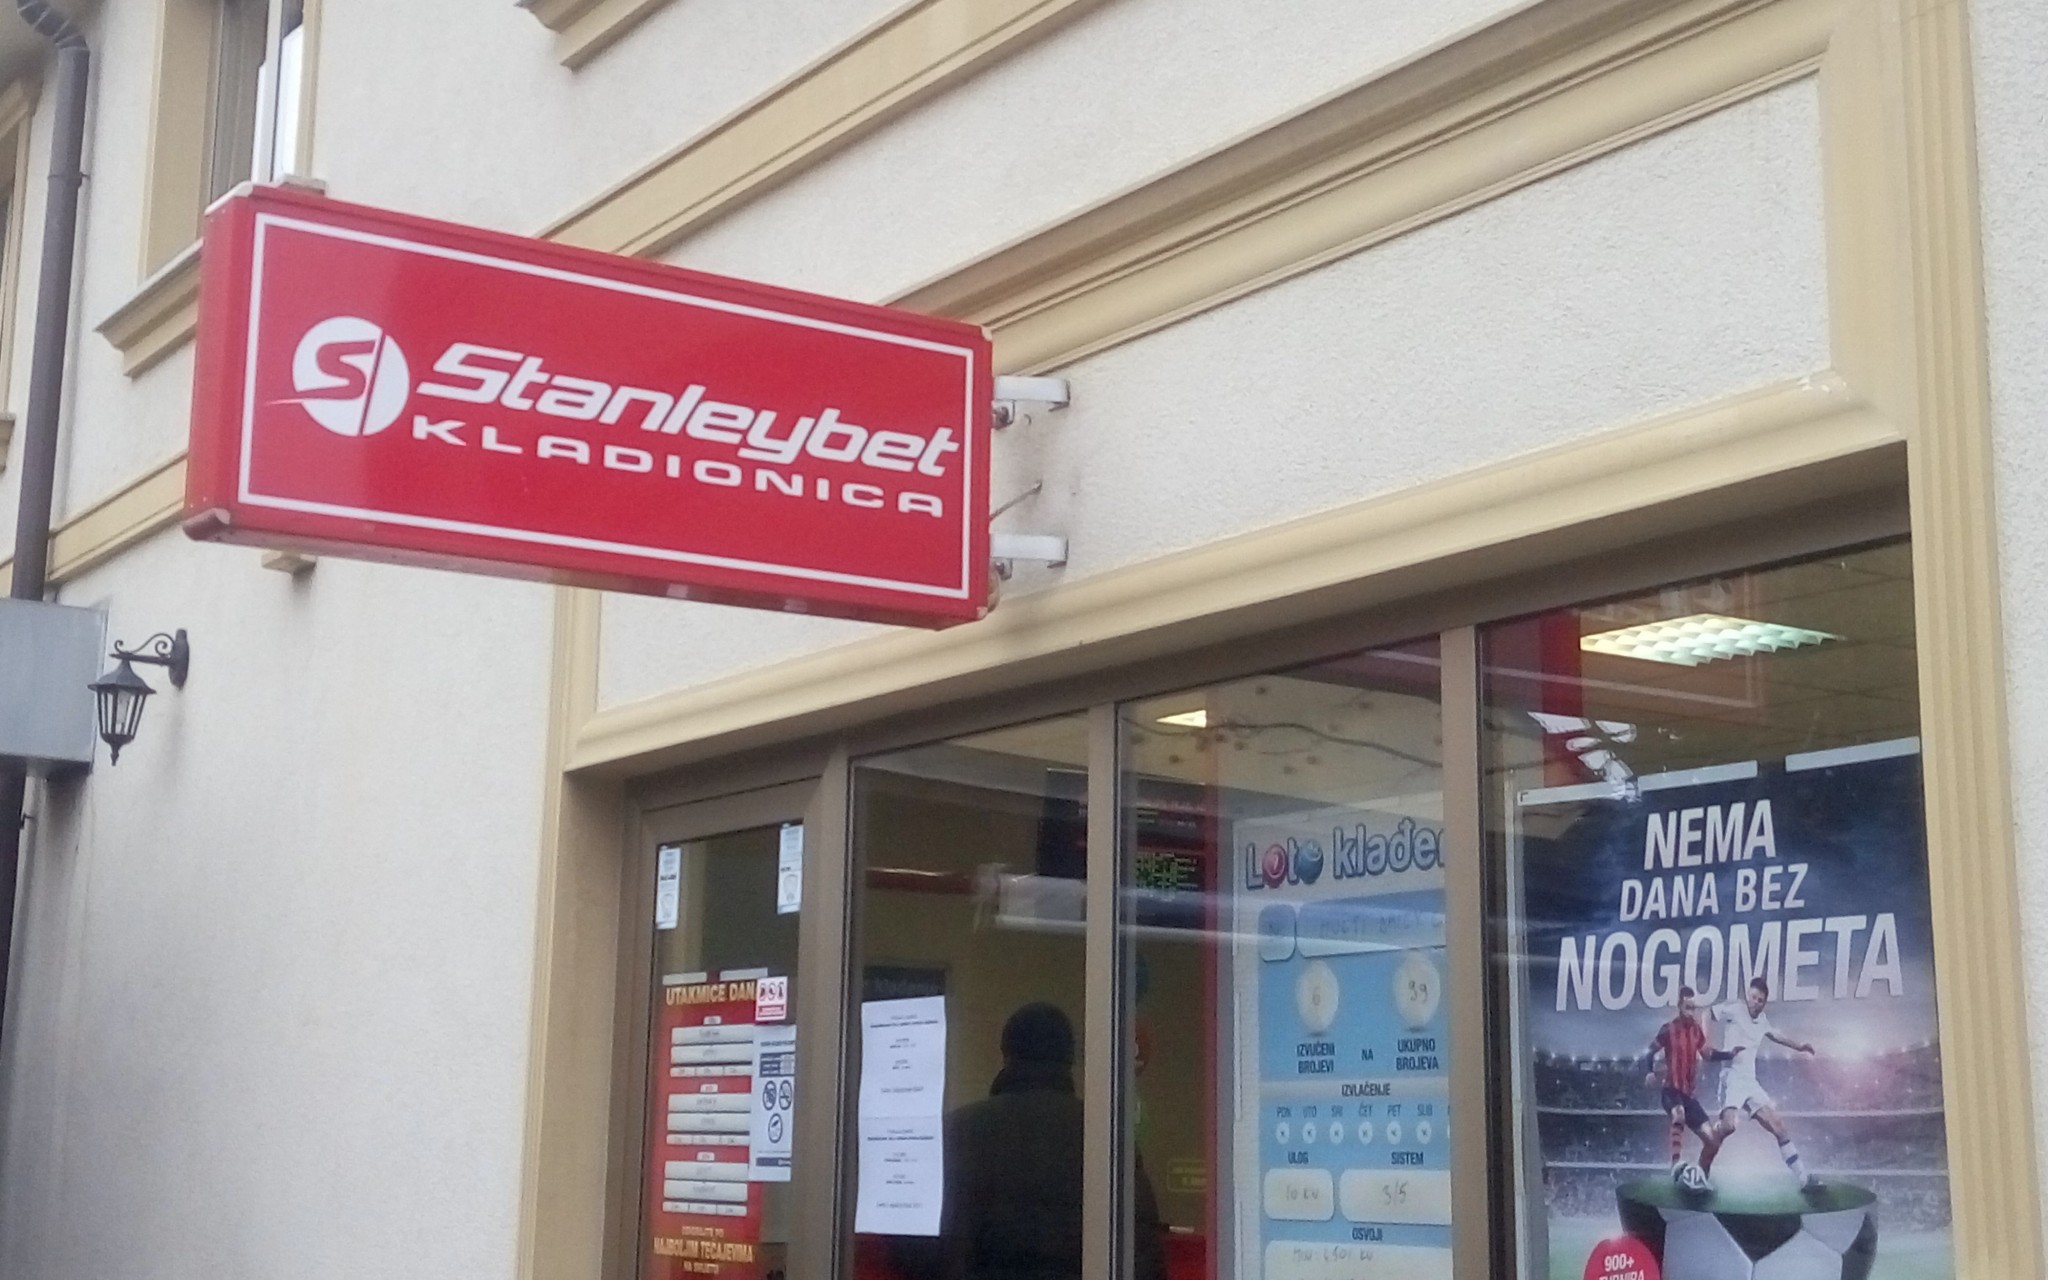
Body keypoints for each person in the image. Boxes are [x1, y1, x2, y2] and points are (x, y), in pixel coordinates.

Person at [935, 1002, 1165, 1280]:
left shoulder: (960, 1131)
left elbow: (929, 1247)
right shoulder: (1105, 1135)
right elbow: (1141, 1249)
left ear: (1006, 1054)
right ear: (1069, 1059)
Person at [1704, 977, 1820, 1190]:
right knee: (1728, 1127)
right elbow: (1707, 1013)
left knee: (1779, 1126)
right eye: (1753, 997)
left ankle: (1804, 1179)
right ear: (1748, 995)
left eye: (1760, 1000)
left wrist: (1800, 1046)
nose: (1755, 1003)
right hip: (1731, 1078)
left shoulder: (1762, 1020)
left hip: (1750, 1082)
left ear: (1764, 1002)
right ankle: (1702, 1168)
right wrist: (1705, 1042)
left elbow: (1777, 1036)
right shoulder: (1735, 1008)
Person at [1641, 986, 1726, 1176]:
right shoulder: (1668, 1029)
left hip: (1689, 1096)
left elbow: (1707, 1054)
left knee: (1712, 1141)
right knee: (1679, 1115)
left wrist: (1729, 1054)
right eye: (1688, 1007)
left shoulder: (1696, 1031)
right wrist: (1649, 1072)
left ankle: (1701, 1176)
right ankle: (1675, 1164)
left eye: (1693, 1008)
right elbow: (1649, 1051)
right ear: (1680, 1006)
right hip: (1671, 1090)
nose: (1691, 1012)